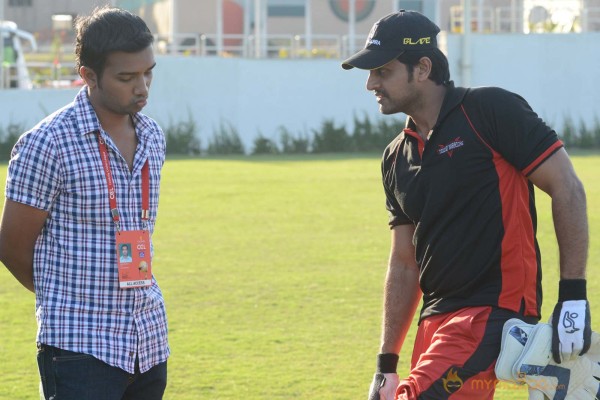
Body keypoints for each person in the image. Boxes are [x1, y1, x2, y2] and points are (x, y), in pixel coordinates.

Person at [341, 10, 591, 400]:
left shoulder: (489, 110)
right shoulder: (395, 156)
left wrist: (573, 296)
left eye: (382, 71)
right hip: (435, 326)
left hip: (494, 314)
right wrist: (386, 364)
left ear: (422, 68)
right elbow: (404, 262)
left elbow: (567, 187)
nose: (370, 83)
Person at [0, 6, 169, 400]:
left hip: (148, 339)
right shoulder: (47, 143)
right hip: (80, 347)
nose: (142, 87)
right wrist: (66, 299)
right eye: (127, 77)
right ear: (88, 76)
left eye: (148, 72)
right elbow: (11, 246)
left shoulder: (153, 137)